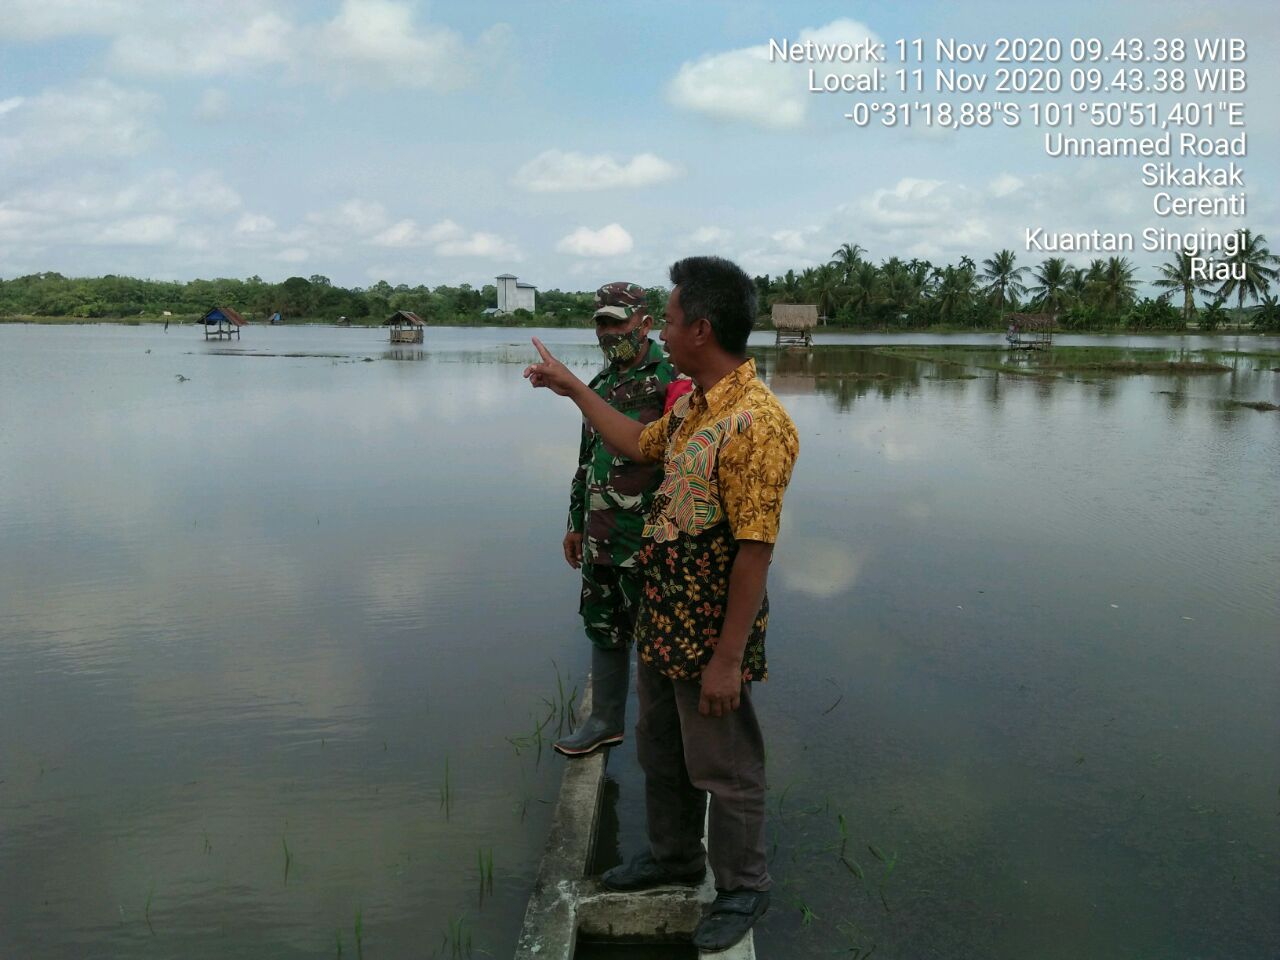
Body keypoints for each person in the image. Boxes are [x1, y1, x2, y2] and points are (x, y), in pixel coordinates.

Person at [524, 256, 799, 951]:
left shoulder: (754, 425)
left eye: (670, 320)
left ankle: (743, 887)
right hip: (664, 616)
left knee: (725, 765)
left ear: (699, 329)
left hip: (710, 630)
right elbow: (634, 442)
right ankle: (674, 856)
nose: (662, 331)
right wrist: (570, 390)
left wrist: (728, 660)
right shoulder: (692, 407)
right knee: (660, 748)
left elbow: (755, 550)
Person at [554, 282, 677, 758]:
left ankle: (664, 736)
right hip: (601, 536)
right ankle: (605, 721)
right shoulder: (601, 385)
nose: (607, 333)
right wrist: (575, 522)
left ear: (644, 324)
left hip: (650, 537)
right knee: (602, 626)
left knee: (659, 639)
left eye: (617, 322)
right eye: (601, 323)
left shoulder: (672, 379)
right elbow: (587, 461)